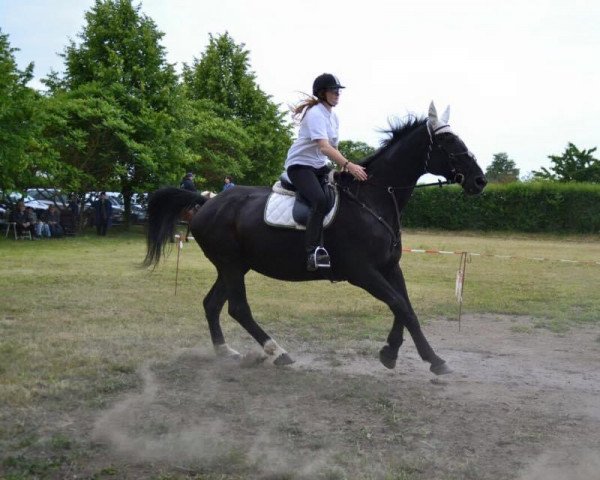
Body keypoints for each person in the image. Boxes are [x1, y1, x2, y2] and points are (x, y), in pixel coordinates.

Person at [284, 73, 368, 271]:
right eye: (333, 90)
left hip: (319, 166)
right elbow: (324, 147)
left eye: (339, 91)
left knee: (345, 191)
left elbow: (334, 148)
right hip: (300, 166)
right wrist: (350, 165)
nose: (337, 94)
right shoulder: (315, 114)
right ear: (322, 93)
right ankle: (312, 252)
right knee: (320, 201)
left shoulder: (333, 117)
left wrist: (343, 170)